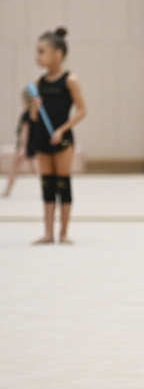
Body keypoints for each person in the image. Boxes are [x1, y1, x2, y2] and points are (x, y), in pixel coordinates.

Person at [29, 27, 87, 244]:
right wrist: (34, 107)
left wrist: (62, 129)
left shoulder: (70, 80)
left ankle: (63, 232)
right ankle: (48, 233)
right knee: (47, 185)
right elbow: (34, 117)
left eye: (41, 52)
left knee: (63, 183)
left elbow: (82, 109)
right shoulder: (38, 83)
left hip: (61, 139)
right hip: (42, 137)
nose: (37, 57)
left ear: (58, 53)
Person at [2, 90, 39, 197]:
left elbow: (24, 133)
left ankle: (7, 190)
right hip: (33, 144)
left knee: (15, 168)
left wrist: (22, 148)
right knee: (36, 170)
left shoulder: (27, 115)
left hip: (26, 145)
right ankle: (47, 190)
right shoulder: (37, 114)